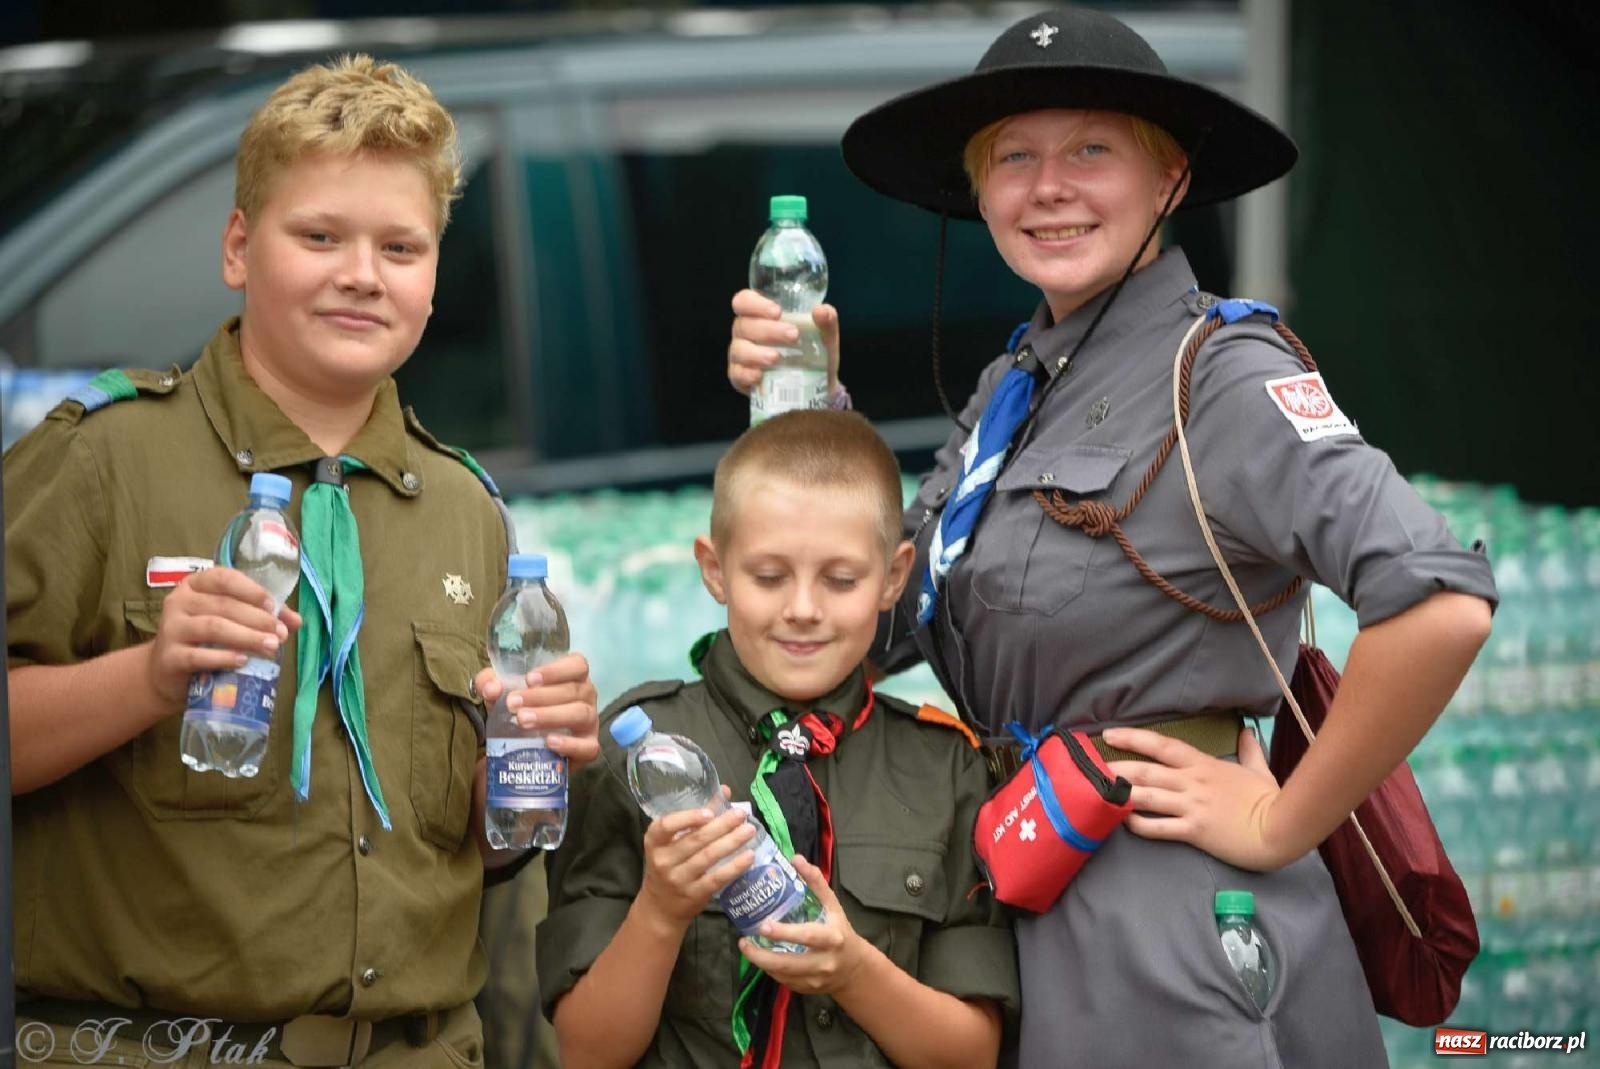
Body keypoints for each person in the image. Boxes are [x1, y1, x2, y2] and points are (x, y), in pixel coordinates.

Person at [727, 8, 1497, 1068]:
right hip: (1017, 898)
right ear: (978, 191)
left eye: (1091, 148)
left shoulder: (1223, 373)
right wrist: (812, 408)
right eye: (1013, 158)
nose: (1048, 187)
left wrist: (1282, 819)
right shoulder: (1014, 388)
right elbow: (880, 622)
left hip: (1173, 925)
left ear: (1169, 179)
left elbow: (1439, 601)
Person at [5, 54, 599, 1067]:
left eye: (400, 246)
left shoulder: (469, 515)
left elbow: (476, 859)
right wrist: (148, 677)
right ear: (239, 247)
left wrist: (528, 768)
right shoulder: (100, 456)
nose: (362, 273)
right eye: (318, 235)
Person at [537, 409, 1018, 1068]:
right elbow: (586, 1050)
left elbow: (971, 1054)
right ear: (714, 569)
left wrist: (854, 972)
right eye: (768, 576)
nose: (802, 607)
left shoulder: (945, 766)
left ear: (895, 575)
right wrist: (661, 908)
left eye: (841, 579)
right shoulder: (632, 759)